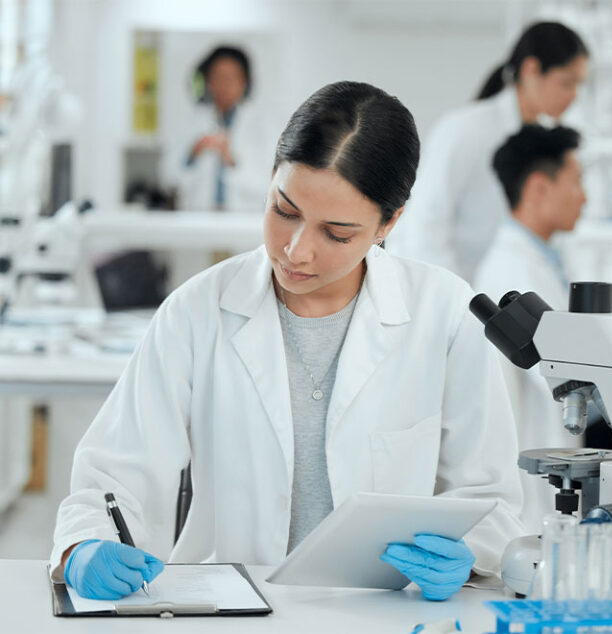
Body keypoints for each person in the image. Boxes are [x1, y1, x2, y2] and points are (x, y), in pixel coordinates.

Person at [51, 81, 527, 602]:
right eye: (285, 210)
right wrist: (84, 545)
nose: (297, 251)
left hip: (385, 612)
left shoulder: (444, 314)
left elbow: (491, 498)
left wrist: (472, 555)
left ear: (389, 223)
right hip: (233, 602)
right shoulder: (198, 310)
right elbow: (118, 467)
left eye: (336, 234)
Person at [392, 21, 588, 281]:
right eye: (566, 83)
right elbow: (425, 224)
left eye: (579, 86)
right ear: (531, 70)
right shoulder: (467, 129)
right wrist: (457, 300)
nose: (574, 96)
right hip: (445, 288)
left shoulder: (538, 141)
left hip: (489, 294)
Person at [473, 124, 586, 532]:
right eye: (576, 182)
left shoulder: (539, 259)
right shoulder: (510, 269)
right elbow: (562, 377)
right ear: (539, 187)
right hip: (532, 494)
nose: (584, 197)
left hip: (553, 473)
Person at [168, 45, 274, 211]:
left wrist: (230, 160)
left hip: (242, 219)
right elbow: (170, 178)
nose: (224, 85)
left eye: (231, 78)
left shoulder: (261, 125)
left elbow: (268, 183)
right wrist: (193, 154)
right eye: (218, 77)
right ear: (208, 81)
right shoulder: (190, 121)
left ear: (244, 82)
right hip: (197, 217)